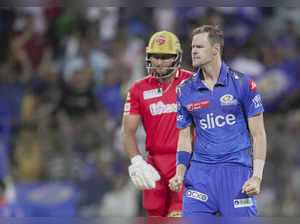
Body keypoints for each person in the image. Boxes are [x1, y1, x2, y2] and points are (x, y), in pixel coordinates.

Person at [169, 25, 267, 217]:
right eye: (192, 47)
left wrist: (257, 177)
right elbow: (184, 137)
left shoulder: (243, 83)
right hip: (199, 176)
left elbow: (259, 134)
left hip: (236, 174)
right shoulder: (184, 90)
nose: (193, 51)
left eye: (199, 47)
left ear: (216, 49)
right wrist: (179, 173)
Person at [122, 30, 193, 217]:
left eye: (165, 57)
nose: (160, 62)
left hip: (187, 161)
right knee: (154, 216)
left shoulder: (193, 83)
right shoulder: (138, 89)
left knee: (179, 214)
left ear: (176, 57)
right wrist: (136, 161)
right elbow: (128, 131)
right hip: (154, 163)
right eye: (156, 56)